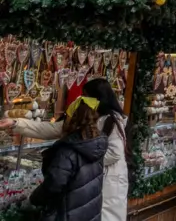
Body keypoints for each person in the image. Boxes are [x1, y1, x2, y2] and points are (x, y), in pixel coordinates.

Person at [0, 78, 126, 221]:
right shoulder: (81, 126)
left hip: (106, 189)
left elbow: (115, 153)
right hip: (86, 196)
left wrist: (33, 200)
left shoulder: (110, 122)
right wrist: (15, 122)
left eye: (85, 95)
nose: (81, 99)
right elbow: (51, 128)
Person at [28, 96, 109, 221]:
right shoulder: (96, 145)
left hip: (67, 213)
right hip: (89, 213)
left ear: (72, 119)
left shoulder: (67, 150)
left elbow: (54, 184)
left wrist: (34, 199)